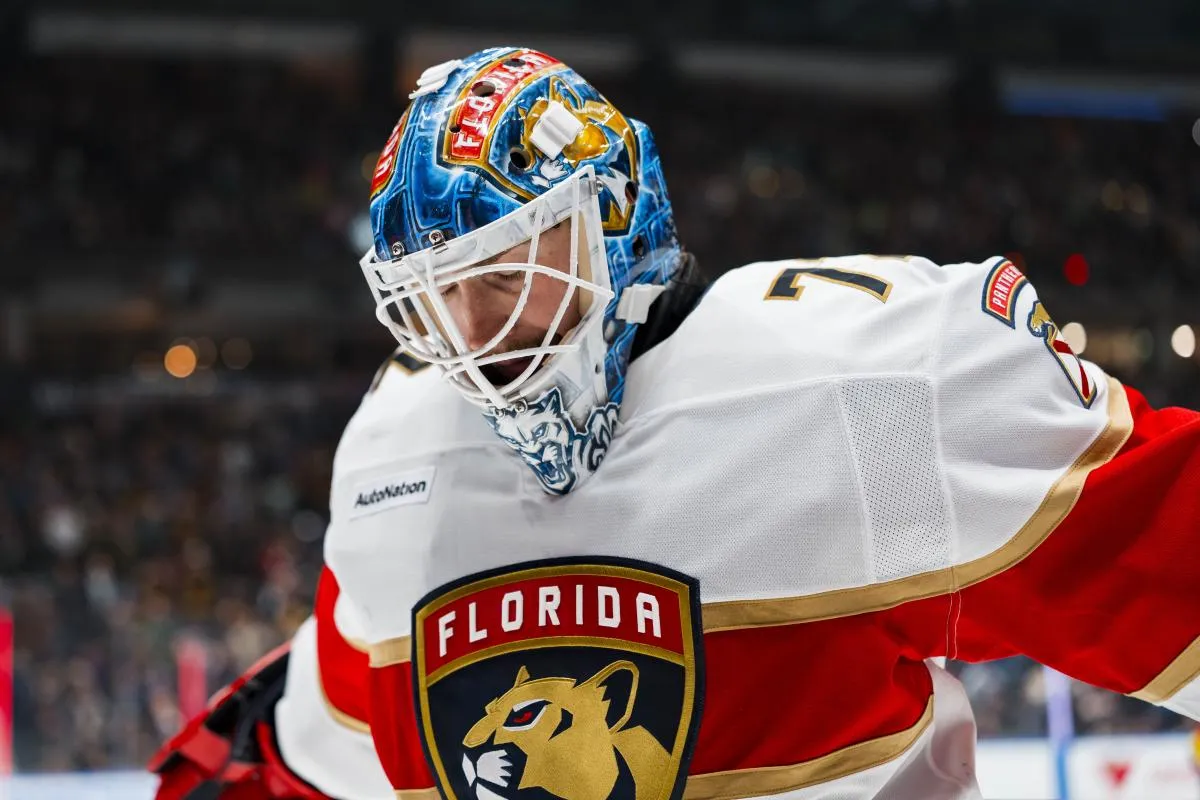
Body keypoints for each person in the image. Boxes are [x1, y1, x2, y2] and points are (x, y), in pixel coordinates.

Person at [150, 46, 1200, 800]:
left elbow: (1166, 560)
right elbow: (298, 748)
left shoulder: (867, 385)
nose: (472, 335)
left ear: (612, 219)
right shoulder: (397, 454)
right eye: (435, 295)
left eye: (505, 272)